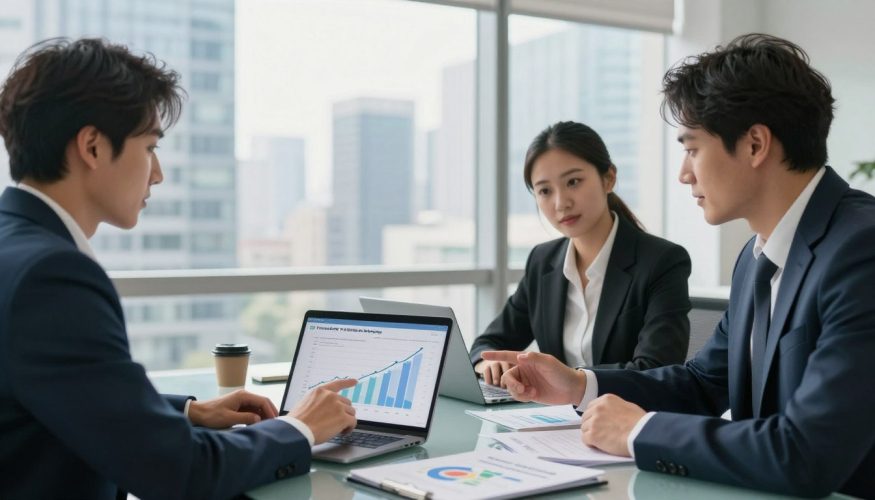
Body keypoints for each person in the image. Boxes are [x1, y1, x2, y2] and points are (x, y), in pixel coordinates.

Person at [483, 33, 875, 497]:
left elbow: (807, 452)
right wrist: (577, 384)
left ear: (754, 145)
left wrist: (638, 431)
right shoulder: (757, 259)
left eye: (692, 148)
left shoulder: (861, 249)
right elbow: (702, 383)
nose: (684, 173)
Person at [0, 38, 357, 500]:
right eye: (149, 147)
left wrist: (187, 412)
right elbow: (180, 473)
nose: (157, 173)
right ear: (91, 146)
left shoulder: (15, 246)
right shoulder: (52, 277)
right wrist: (300, 428)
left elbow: (44, 395)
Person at [471, 121, 692, 387]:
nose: (561, 202)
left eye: (573, 182)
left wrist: (572, 382)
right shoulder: (543, 262)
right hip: (555, 421)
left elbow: (656, 369)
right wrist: (488, 364)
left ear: (608, 178)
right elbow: (489, 344)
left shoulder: (661, 262)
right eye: (544, 191)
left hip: (627, 419)